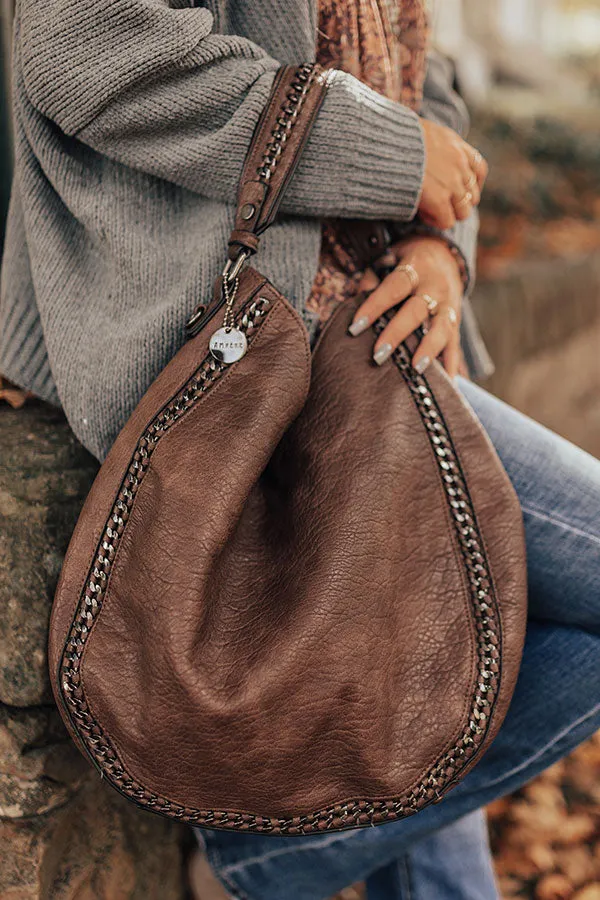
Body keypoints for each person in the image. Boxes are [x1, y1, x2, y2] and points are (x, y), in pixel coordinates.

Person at [1, 1, 598, 898]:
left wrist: (442, 244)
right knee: (447, 659)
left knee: (431, 672)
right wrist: (391, 160)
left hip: (384, 329)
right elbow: (83, 42)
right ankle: (279, 857)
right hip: (232, 336)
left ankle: (289, 849)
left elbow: (418, 77)